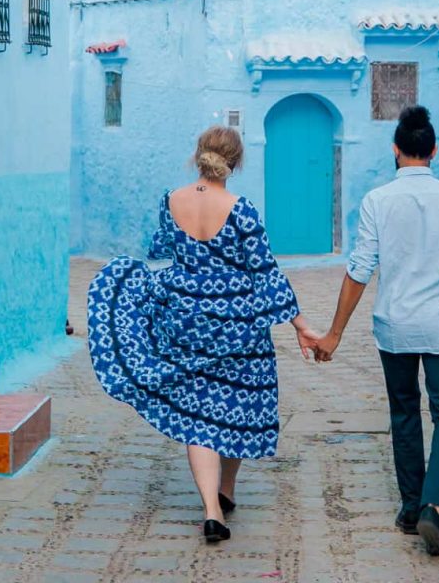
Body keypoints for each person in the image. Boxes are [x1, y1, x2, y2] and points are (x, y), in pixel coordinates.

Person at [87, 126, 320, 543]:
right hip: (239, 325)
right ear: (236, 161)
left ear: (198, 154)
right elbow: (265, 272)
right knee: (239, 404)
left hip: (186, 319)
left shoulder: (170, 200)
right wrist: (300, 326)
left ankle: (215, 507)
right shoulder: (241, 209)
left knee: (200, 416)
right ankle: (225, 489)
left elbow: (161, 249)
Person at [314, 105, 439, 557]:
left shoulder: (377, 201)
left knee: (403, 412)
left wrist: (333, 334)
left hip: (395, 326)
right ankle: (434, 506)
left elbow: (359, 271)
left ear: (396, 150)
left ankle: (411, 507)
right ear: (433, 151)